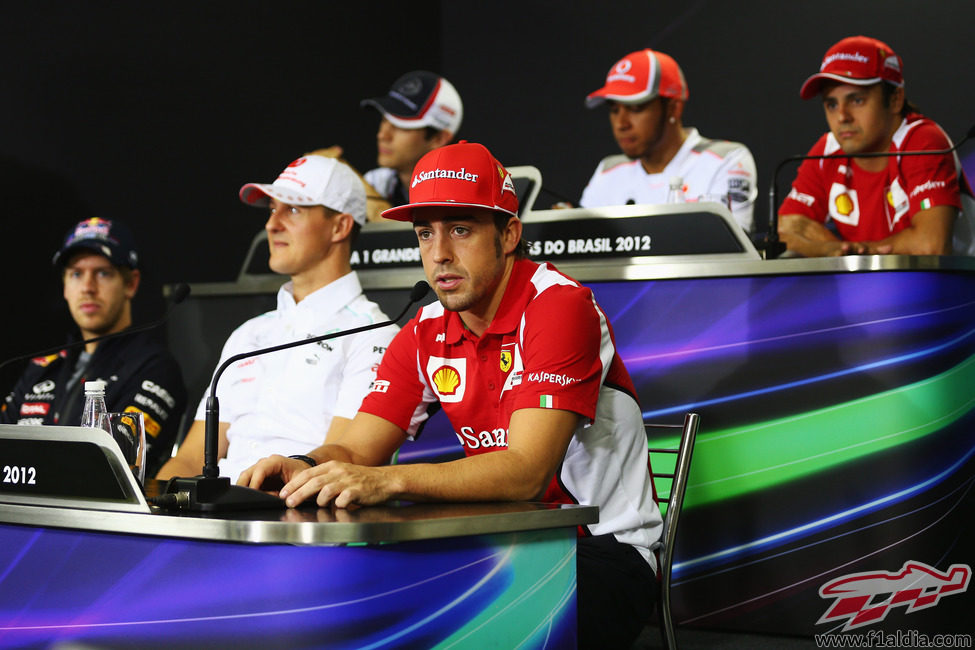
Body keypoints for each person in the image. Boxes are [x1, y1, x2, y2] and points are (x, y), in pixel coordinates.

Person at [239, 142, 661, 648]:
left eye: (460, 229)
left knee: (453, 625)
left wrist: (386, 481)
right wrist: (304, 463)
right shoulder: (424, 327)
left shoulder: (558, 306)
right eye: (425, 233)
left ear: (508, 234)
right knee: (348, 601)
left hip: (601, 551)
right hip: (500, 545)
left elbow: (527, 471)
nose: (439, 253)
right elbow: (355, 450)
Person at [156, 155, 396, 483]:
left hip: (300, 522)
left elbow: (342, 464)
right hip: (220, 519)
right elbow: (188, 461)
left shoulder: (375, 335)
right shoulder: (248, 334)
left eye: (293, 209)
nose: (272, 224)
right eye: (272, 209)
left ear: (339, 226)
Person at [1, 217, 187, 478]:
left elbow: (113, 466)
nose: (88, 288)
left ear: (131, 284)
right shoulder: (42, 366)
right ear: (65, 287)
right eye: (76, 274)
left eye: (103, 273)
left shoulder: (154, 367)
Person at [778, 35, 975, 257]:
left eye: (857, 100)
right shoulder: (828, 150)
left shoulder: (923, 141)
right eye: (831, 104)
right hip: (874, 287)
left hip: (955, 287)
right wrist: (831, 249)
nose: (842, 116)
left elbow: (930, 246)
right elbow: (784, 229)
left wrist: (851, 256)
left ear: (895, 99)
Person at [580, 48, 758, 232]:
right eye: (614, 110)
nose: (621, 124)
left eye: (636, 108)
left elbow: (730, 250)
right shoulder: (608, 170)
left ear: (674, 108)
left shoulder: (725, 160)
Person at [360, 70, 463, 209]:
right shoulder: (376, 182)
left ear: (439, 139)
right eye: (384, 119)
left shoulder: (463, 194)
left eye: (401, 125)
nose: (383, 135)